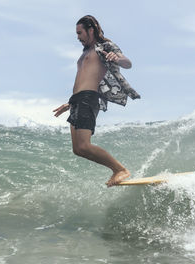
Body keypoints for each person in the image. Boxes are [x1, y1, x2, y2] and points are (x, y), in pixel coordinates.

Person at [53, 15, 140, 187]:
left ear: (90, 30)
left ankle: (120, 170)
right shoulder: (84, 53)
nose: (78, 37)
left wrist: (117, 58)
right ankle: (117, 169)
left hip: (88, 98)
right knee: (78, 149)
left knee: (84, 145)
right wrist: (69, 103)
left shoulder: (105, 46)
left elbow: (127, 63)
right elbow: (83, 78)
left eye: (80, 33)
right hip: (76, 100)